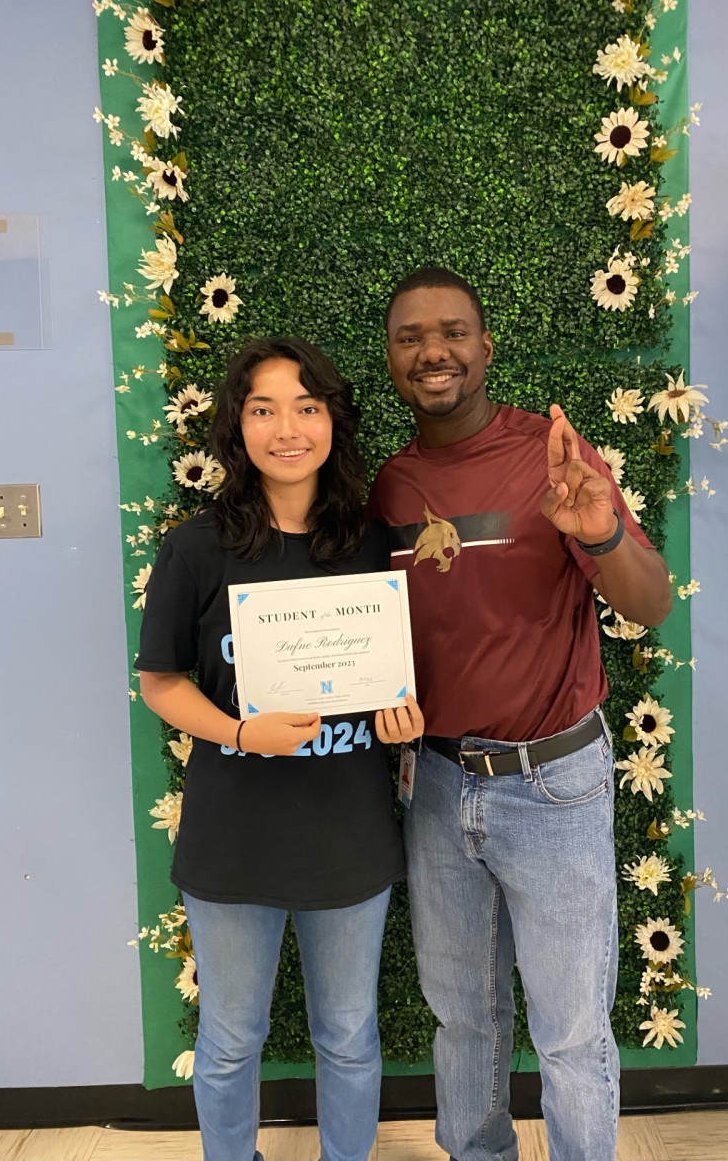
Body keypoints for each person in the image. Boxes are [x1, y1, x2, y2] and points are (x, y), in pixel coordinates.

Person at [367, 268, 673, 1161]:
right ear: (391, 359)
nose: (434, 351)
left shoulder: (555, 460)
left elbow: (650, 604)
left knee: (573, 1030)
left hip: (555, 786)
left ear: (487, 347)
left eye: (454, 332)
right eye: (411, 337)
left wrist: (600, 531)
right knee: (462, 1016)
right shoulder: (391, 485)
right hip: (436, 783)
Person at [136, 336, 423, 1161]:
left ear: (332, 419)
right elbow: (160, 681)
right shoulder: (197, 548)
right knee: (229, 1040)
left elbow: (398, 680)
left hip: (350, 835)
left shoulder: (375, 545)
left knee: (348, 1035)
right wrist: (236, 731)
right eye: (263, 409)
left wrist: (403, 716)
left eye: (306, 407)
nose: (286, 428)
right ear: (237, 426)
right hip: (234, 842)